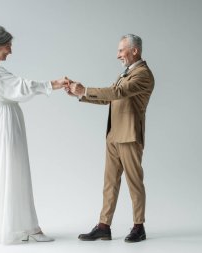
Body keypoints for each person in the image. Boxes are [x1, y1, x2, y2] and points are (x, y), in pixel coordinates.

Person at [0, 25, 66, 244]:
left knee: (5, 171)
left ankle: (13, 226)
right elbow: (22, 86)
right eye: (8, 46)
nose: (10, 51)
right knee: (15, 170)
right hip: (7, 123)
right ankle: (28, 228)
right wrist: (53, 84)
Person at [66, 34, 154, 243]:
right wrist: (81, 95)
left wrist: (85, 89)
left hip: (130, 136)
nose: (118, 55)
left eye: (121, 50)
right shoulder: (126, 73)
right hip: (114, 135)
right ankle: (104, 226)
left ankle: (138, 226)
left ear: (135, 50)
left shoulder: (143, 74)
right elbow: (111, 99)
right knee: (109, 183)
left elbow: (117, 92)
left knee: (134, 182)